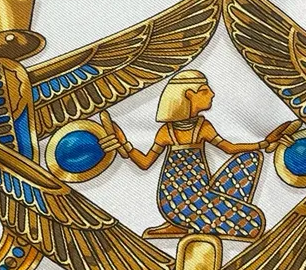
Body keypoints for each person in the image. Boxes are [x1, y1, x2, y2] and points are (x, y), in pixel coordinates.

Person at [109, 70, 293, 240]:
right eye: (205, 91)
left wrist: (263, 144)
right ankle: (184, 220)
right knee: (254, 223)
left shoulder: (202, 126)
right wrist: (124, 144)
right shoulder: (167, 131)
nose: (212, 93)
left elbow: (229, 148)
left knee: (251, 158)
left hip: (203, 192)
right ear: (189, 94)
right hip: (177, 198)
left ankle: (199, 221)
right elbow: (145, 162)